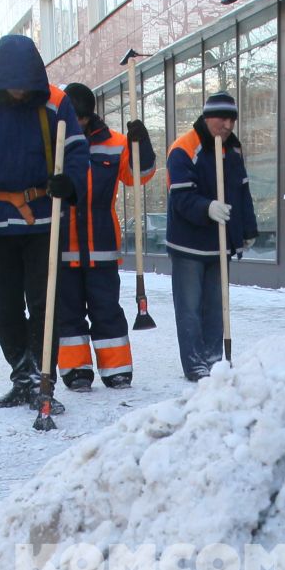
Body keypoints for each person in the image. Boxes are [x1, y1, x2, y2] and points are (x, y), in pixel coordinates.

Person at [0, 36, 88, 411]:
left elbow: (76, 151)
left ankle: (44, 379)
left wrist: (69, 182)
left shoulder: (56, 102)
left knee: (44, 306)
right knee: (5, 309)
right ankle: (21, 374)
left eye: (27, 87)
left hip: (43, 222)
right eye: (14, 86)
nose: (20, 93)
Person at [54, 82, 154, 392]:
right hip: (63, 243)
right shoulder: (53, 141)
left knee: (106, 308)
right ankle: (76, 370)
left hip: (102, 243)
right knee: (68, 312)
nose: (79, 123)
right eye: (75, 117)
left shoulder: (115, 143)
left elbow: (139, 175)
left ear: (90, 115)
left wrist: (143, 144)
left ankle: (117, 369)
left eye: (83, 117)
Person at [165, 92, 257, 383]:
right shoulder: (183, 149)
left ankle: (214, 359)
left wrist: (247, 230)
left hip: (219, 246)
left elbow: (242, 192)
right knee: (190, 308)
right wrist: (207, 207)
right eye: (222, 118)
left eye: (232, 119)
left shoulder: (232, 151)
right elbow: (182, 197)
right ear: (207, 118)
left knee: (217, 307)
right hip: (188, 244)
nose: (228, 125)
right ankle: (194, 364)